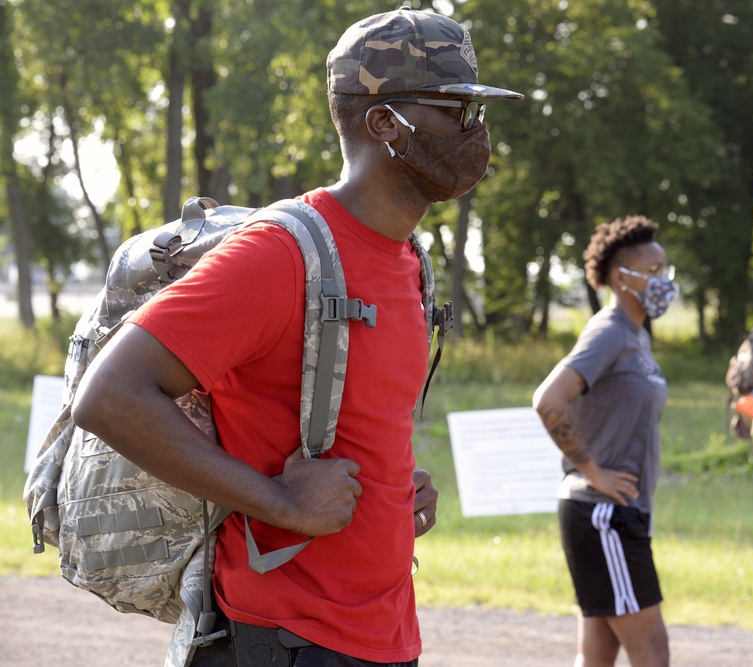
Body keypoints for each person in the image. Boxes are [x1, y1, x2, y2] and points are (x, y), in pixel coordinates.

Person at [72, 7, 522, 667]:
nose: (475, 130)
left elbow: (339, 422)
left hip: (381, 633)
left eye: (477, 112)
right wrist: (280, 499)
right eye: (456, 110)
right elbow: (109, 394)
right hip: (281, 638)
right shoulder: (281, 254)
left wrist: (397, 488)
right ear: (383, 123)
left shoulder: (407, 260)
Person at [533, 216, 676, 667]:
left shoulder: (635, 335)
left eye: (666, 270)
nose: (664, 281)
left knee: (597, 652)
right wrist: (593, 470)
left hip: (615, 514)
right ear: (620, 277)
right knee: (652, 649)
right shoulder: (610, 331)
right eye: (653, 272)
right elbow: (549, 399)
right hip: (602, 514)